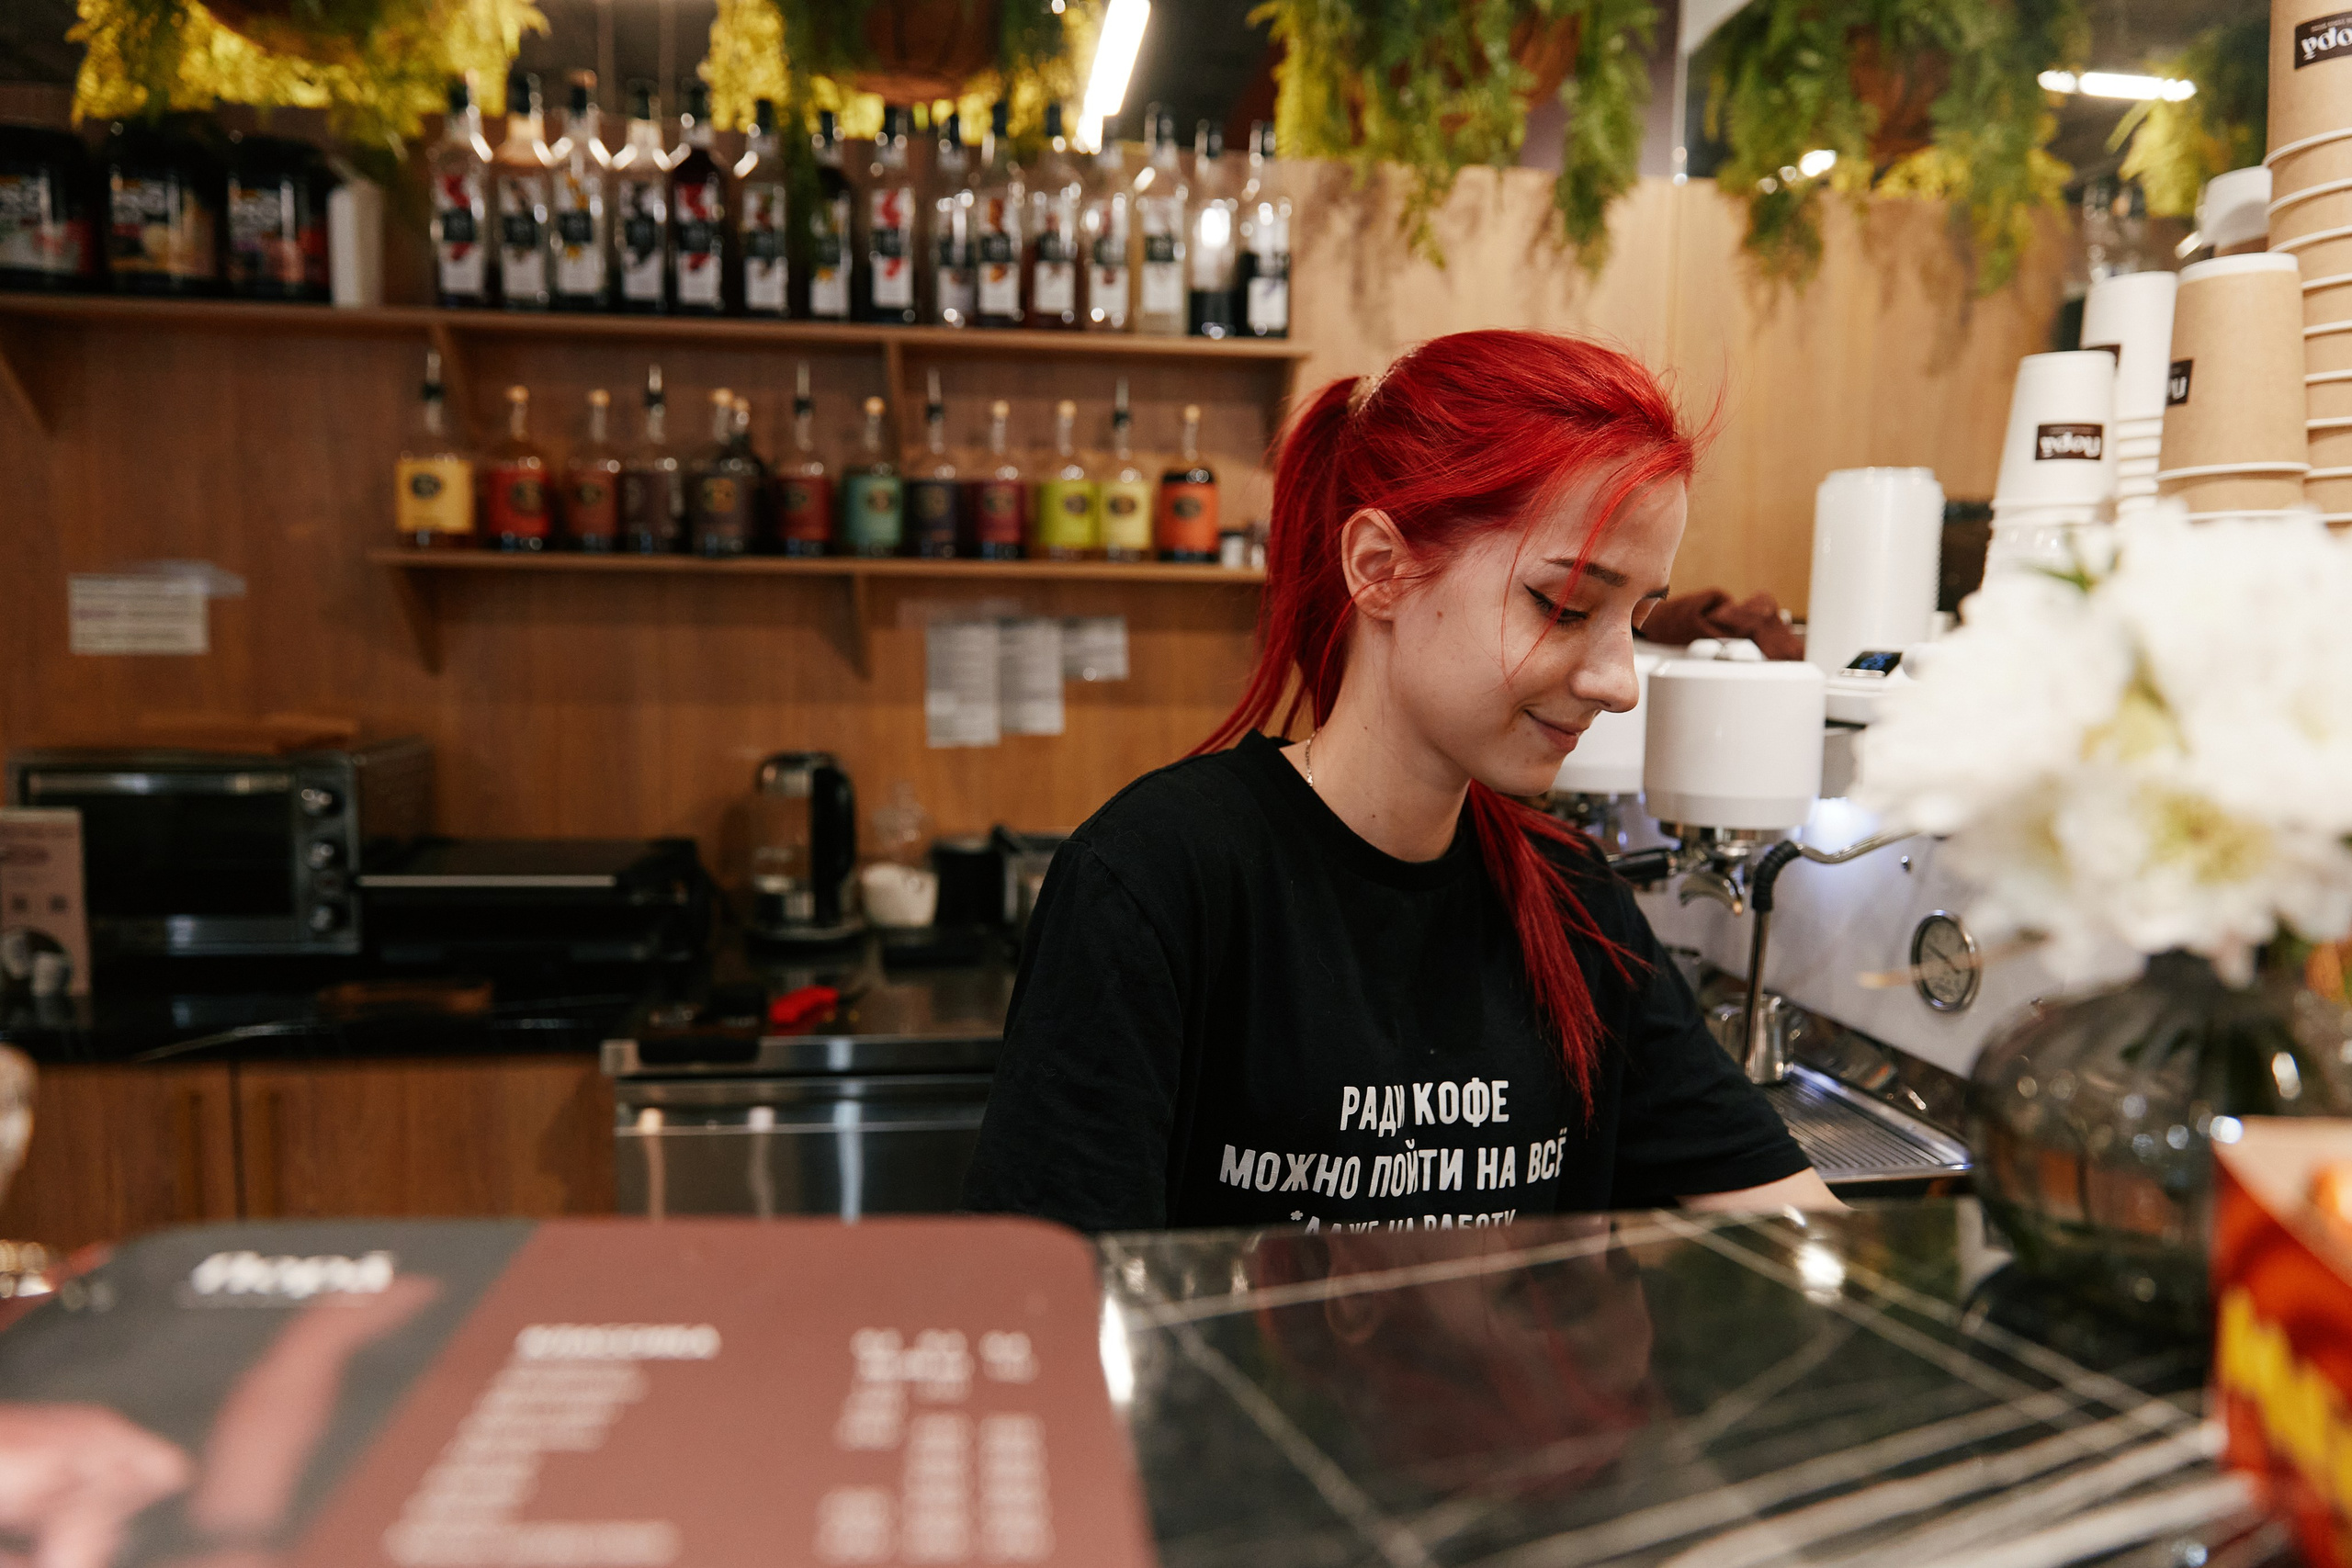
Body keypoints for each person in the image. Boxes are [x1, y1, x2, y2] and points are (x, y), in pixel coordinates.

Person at [963, 330, 1834, 1232]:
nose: (1618, 683)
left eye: (1635, 618)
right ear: (1379, 567)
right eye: (1565, 606)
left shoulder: (1574, 903)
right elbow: (1053, 1312)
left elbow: (1792, 1223)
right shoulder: (1157, 880)